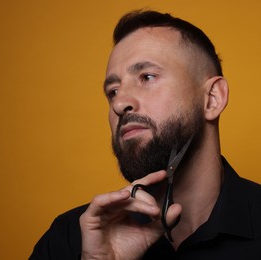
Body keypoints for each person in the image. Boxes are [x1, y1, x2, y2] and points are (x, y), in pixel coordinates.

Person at [29, 10, 261, 259]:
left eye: (147, 77)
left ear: (212, 99)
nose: (120, 104)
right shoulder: (69, 239)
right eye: (113, 91)